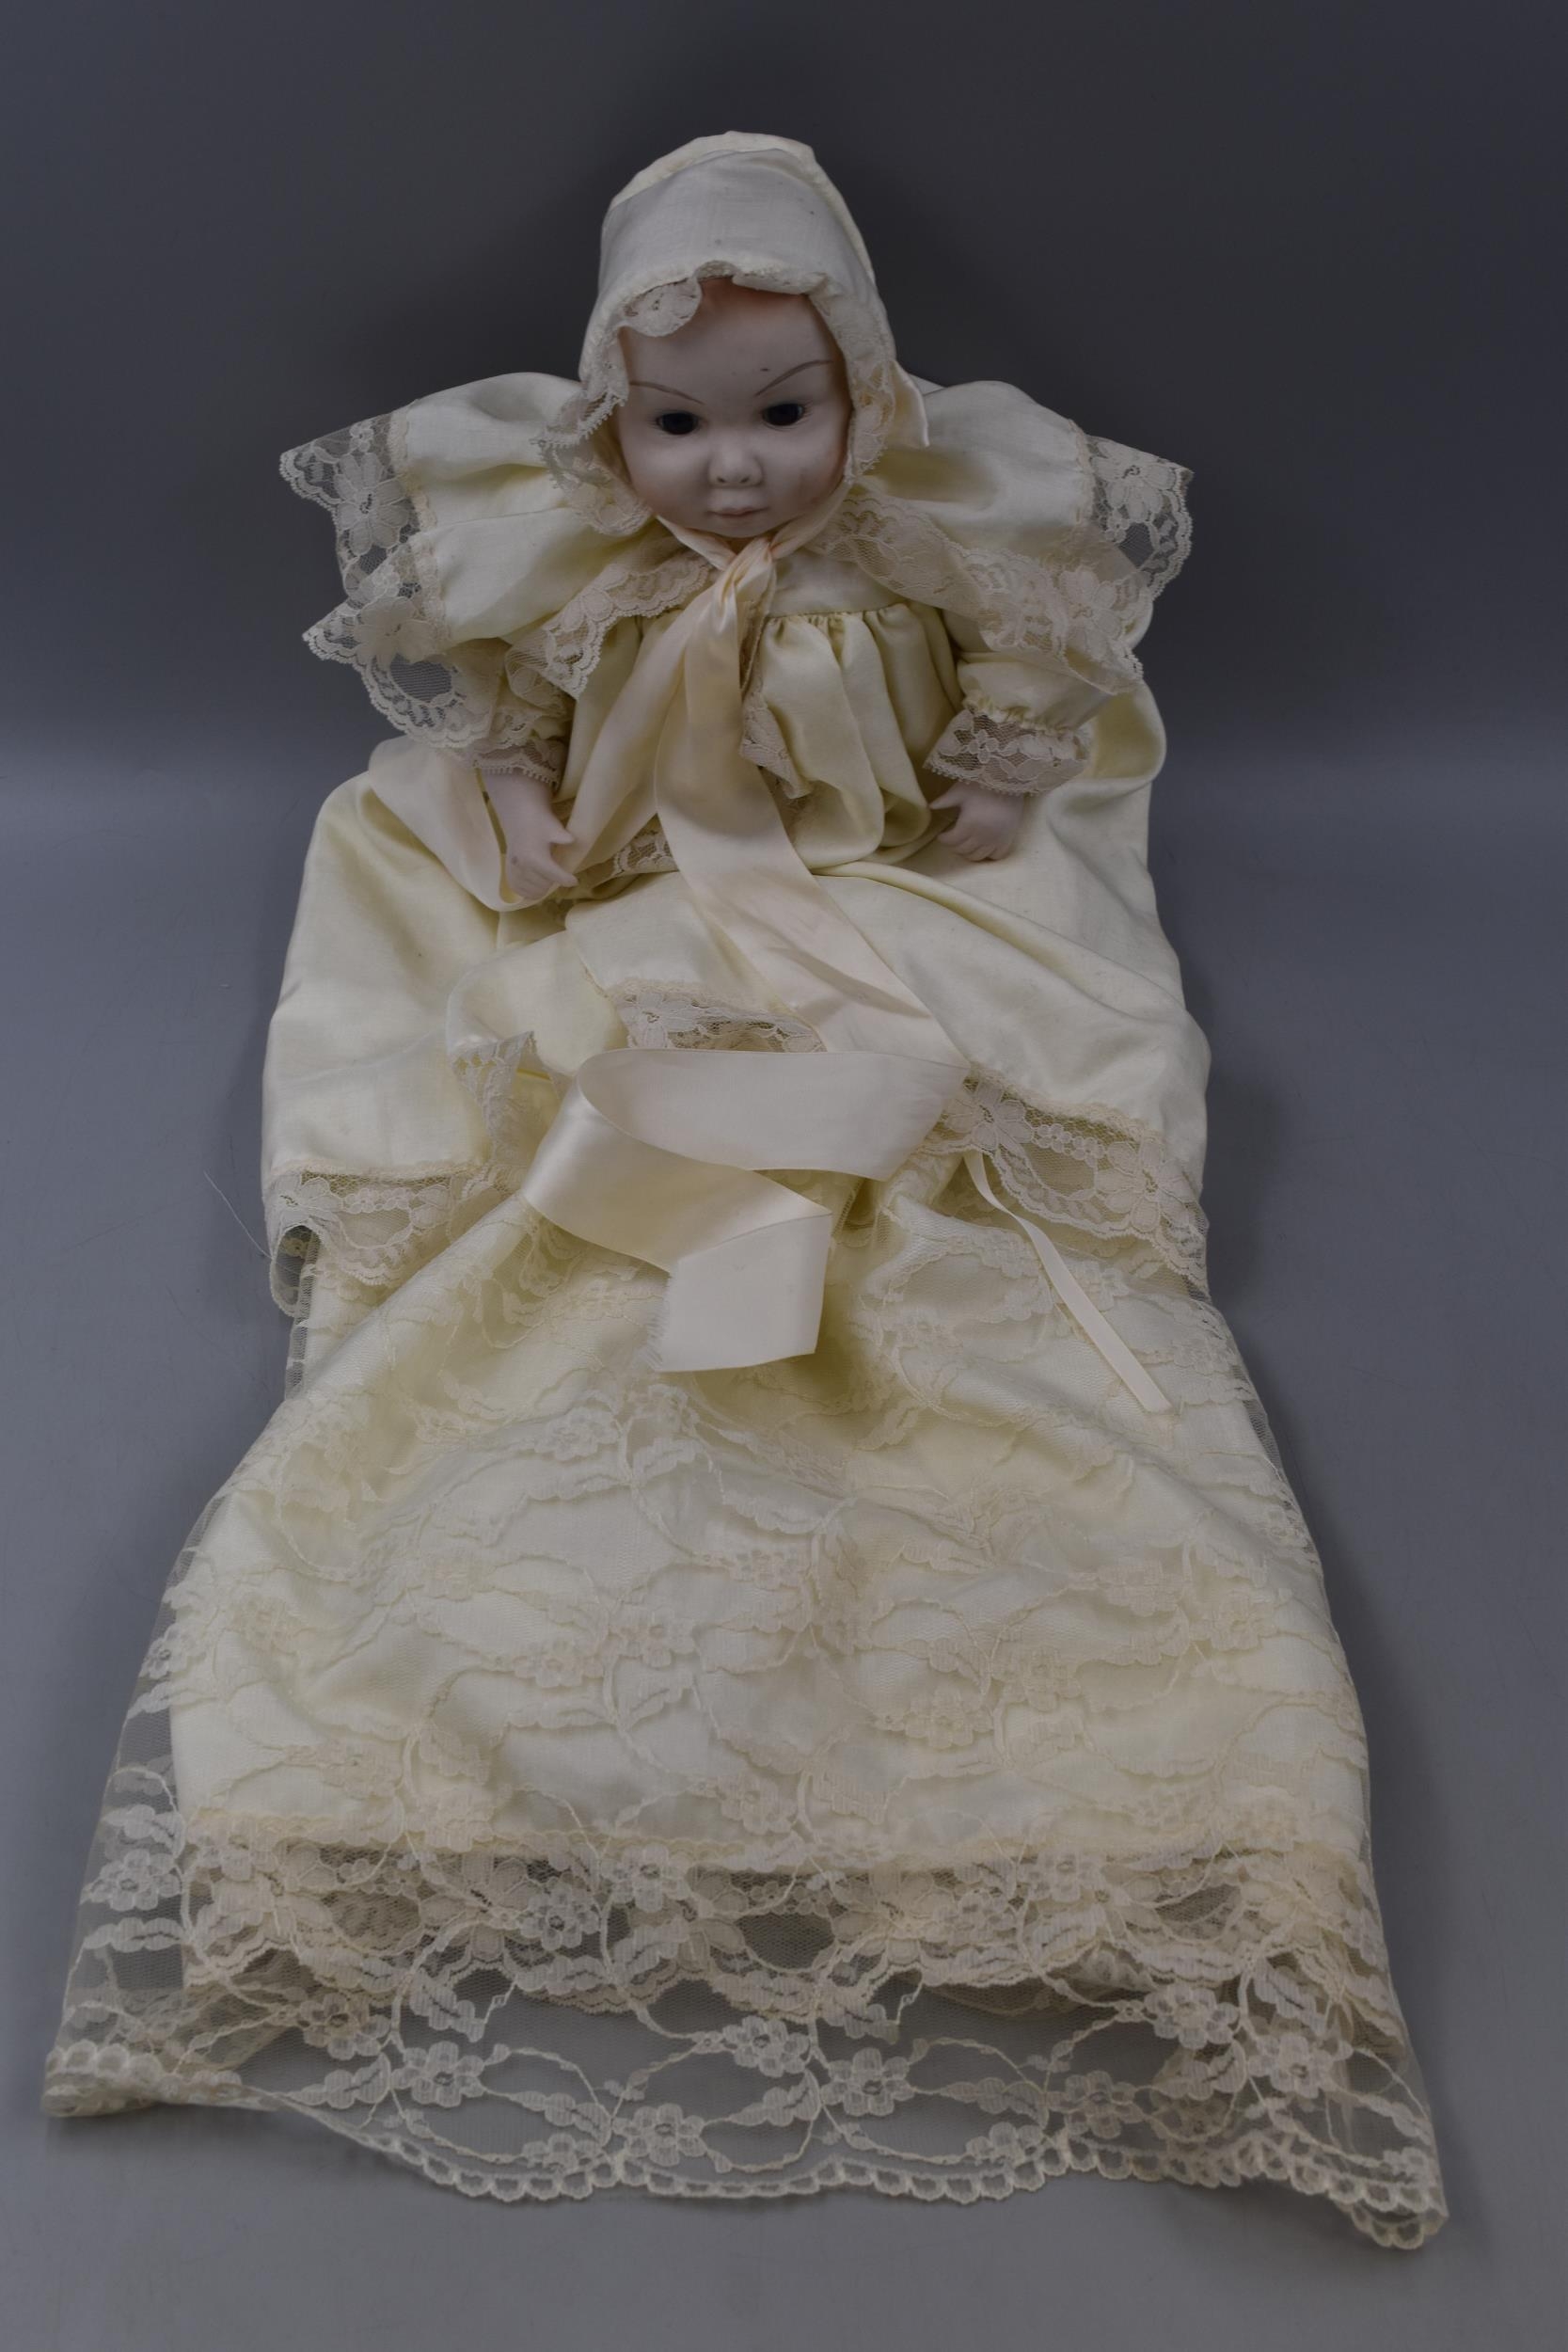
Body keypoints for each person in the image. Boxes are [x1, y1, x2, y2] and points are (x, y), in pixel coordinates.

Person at [40, 131, 1446, 2248]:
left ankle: (1031, 1730)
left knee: (940, 1177)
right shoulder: (575, 552)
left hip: (881, 882)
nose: (732, 470)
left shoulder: (926, 536)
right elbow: (519, 706)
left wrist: (997, 777)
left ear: (863, 394)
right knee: (581, 1160)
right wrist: (517, 795)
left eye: (784, 413)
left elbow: (1022, 685)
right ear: (607, 423)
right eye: (678, 425)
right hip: (647, 889)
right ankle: (469, 1708)